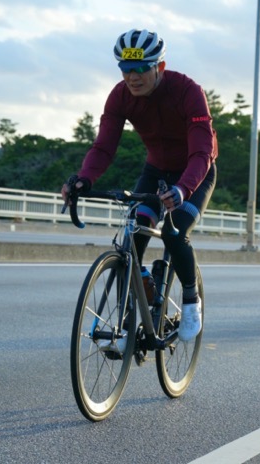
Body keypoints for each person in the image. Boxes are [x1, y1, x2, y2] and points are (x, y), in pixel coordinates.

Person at [62, 28, 218, 343]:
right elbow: (104, 147)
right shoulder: (120, 96)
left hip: (194, 172)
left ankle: (190, 301)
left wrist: (183, 189)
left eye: (140, 70)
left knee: (175, 232)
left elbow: (202, 152)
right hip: (156, 170)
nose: (132, 77)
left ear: (158, 67)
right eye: (125, 69)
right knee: (133, 234)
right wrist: (84, 178)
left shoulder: (188, 91)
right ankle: (132, 311)